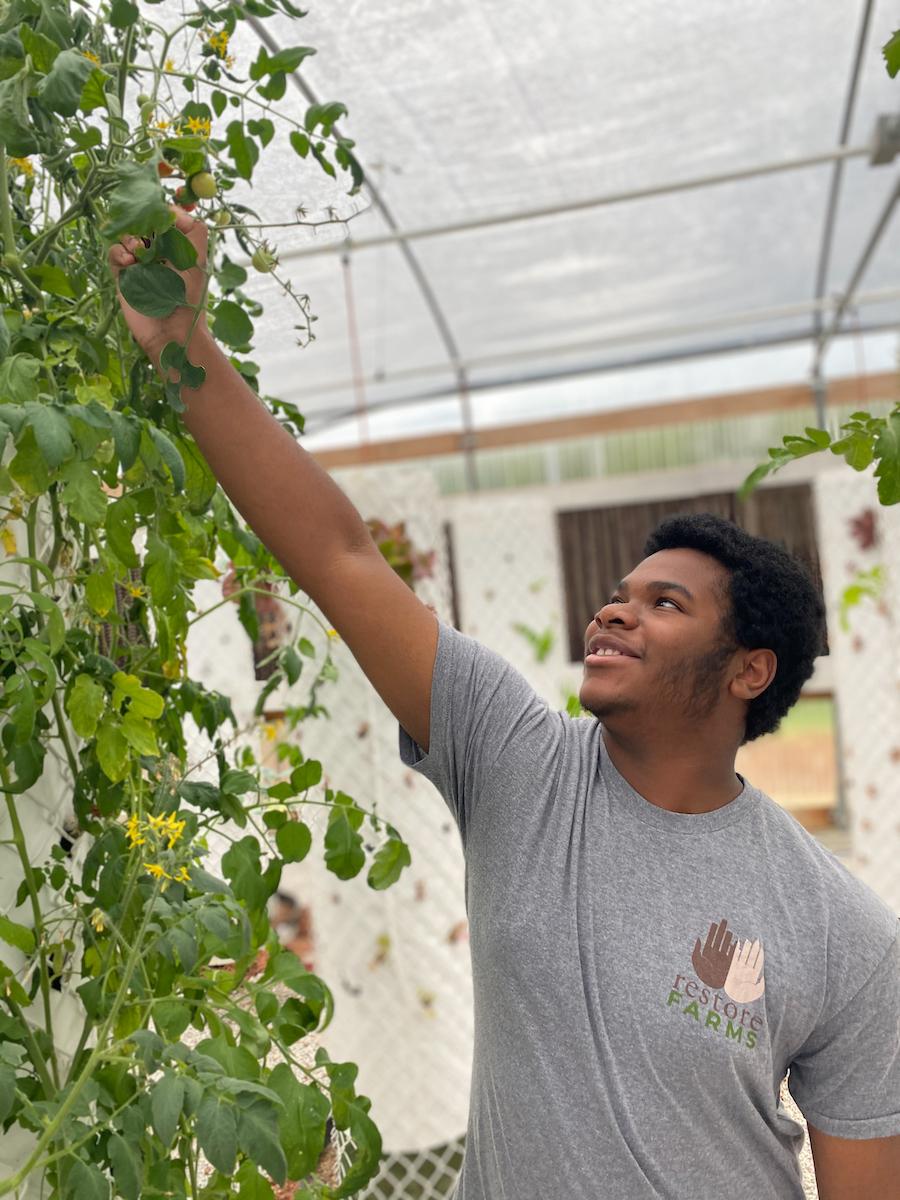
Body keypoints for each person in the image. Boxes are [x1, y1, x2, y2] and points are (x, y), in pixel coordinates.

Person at [110, 210, 900, 1200]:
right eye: (619, 592)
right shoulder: (514, 758)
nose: (614, 610)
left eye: (665, 603)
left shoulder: (844, 932)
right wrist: (184, 341)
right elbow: (338, 555)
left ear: (749, 671)